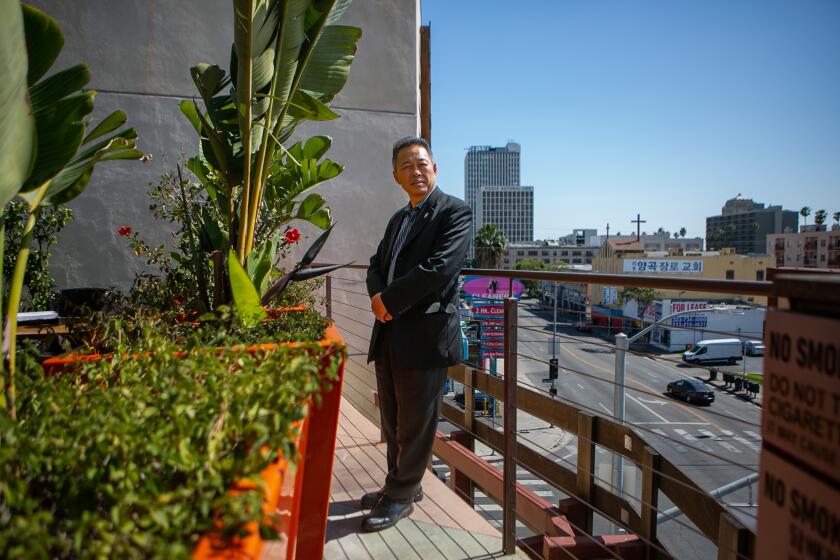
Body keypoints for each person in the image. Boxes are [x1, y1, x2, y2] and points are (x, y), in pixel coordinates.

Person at [362, 137, 471, 532]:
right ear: (396, 176)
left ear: (435, 168)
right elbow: (376, 263)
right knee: (392, 420)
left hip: (425, 336)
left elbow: (441, 268)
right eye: (406, 166)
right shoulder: (398, 219)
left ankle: (401, 495)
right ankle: (402, 486)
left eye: (422, 164)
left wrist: (389, 300)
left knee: (416, 423)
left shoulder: (454, 212)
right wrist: (378, 297)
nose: (416, 171)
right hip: (389, 331)